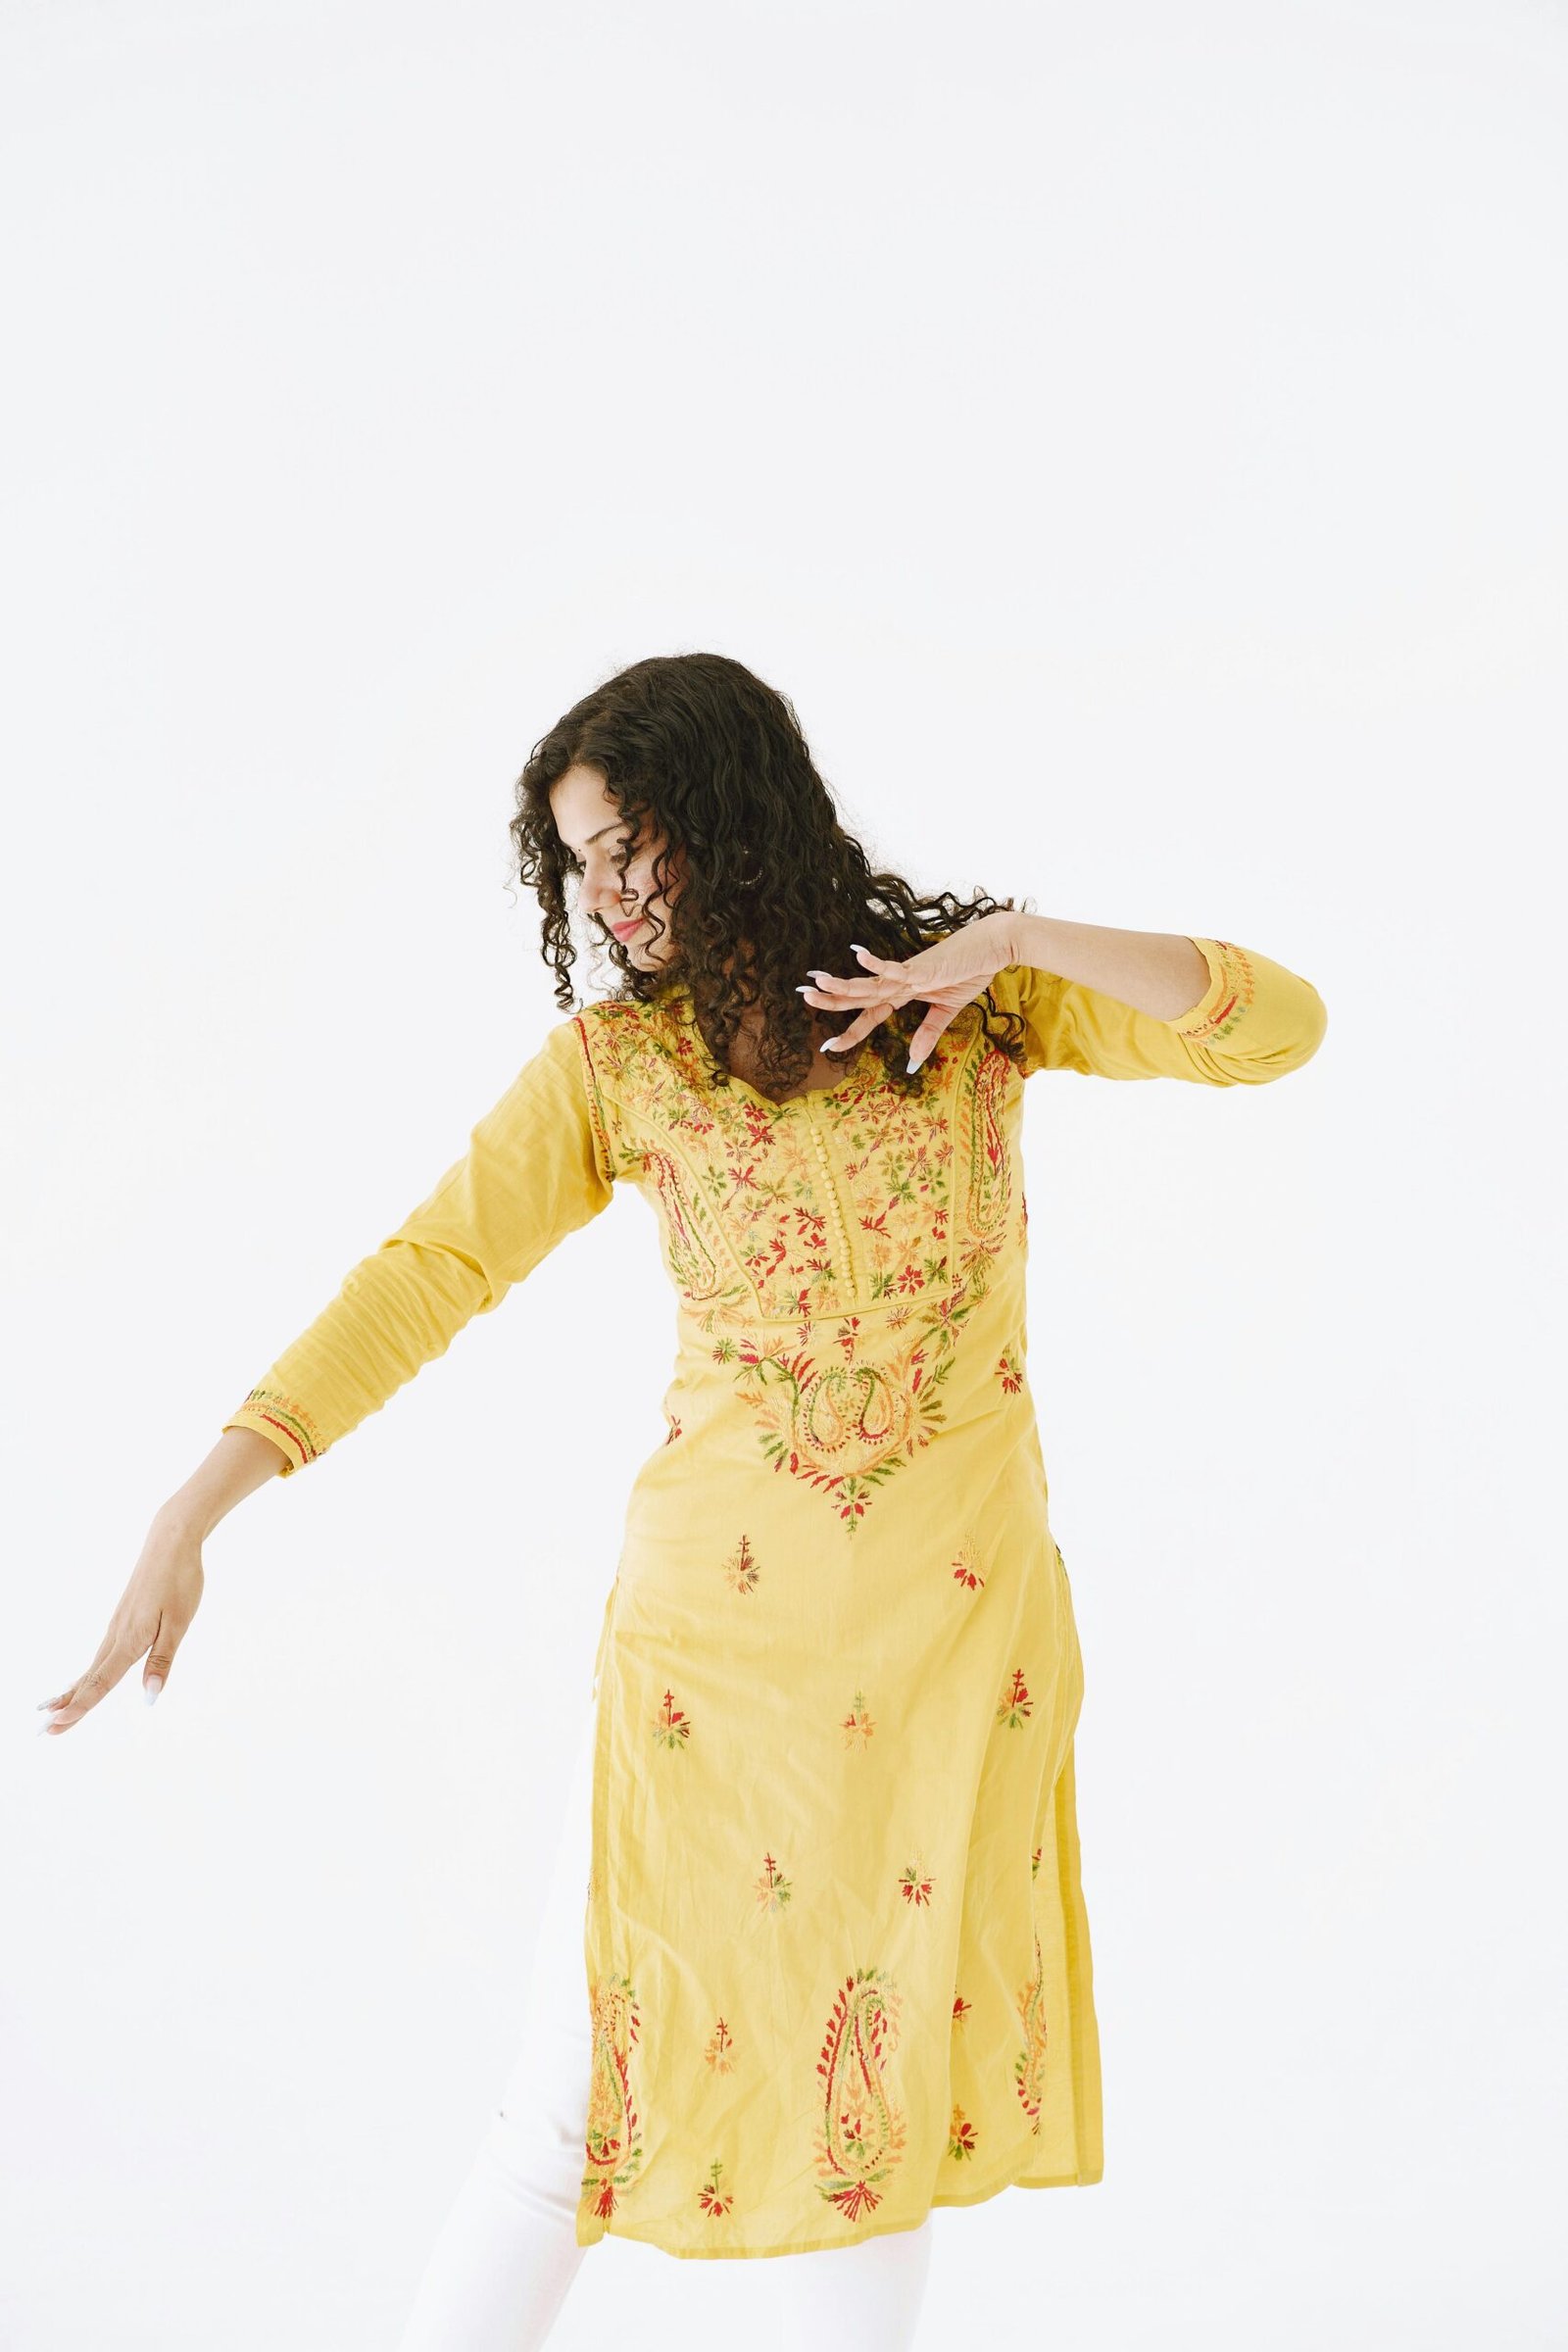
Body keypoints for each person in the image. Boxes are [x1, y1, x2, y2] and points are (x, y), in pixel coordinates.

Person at [38, 652, 1329, 2347]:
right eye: (583, 862)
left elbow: (1278, 1028)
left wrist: (1015, 938)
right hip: (713, 1669)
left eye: (634, 843)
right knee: (566, 2116)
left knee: (879, 2129)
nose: (612, 894)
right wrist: (198, 1503)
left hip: (951, 1654)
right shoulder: (620, 1068)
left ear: (734, 811)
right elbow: (428, 1272)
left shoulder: (977, 1012)